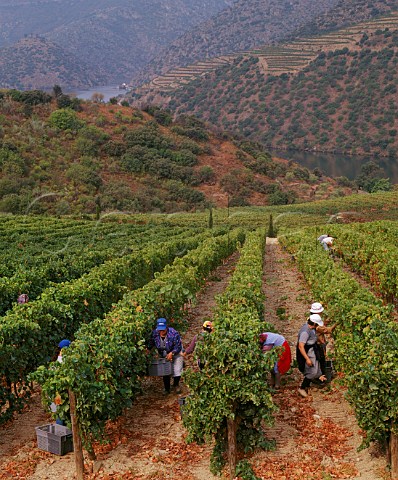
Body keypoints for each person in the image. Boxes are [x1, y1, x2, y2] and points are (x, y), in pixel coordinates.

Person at [147, 318, 183, 394]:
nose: (161, 332)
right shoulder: (155, 333)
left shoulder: (173, 333)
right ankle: (167, 388)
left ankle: (176, 385)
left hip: (175, 351)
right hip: (164, 352)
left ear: (166, 327)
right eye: (160, 330)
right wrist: (148, 349)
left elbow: (178, 346)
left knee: (177, 369)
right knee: (165, 369)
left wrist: (172, 353)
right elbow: (151, 342)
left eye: (163, 330)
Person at [296, 314, 326, 398]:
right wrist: (307, 359)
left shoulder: (311, 328)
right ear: (314, 323)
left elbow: (314, 335)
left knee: (316, 367)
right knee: (311, 371)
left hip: (313, 351)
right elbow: (301, 346)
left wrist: (320, 340)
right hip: (308, 352)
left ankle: (316, 379)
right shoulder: (305, 332)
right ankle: (302, 388)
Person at [50, 339, 71, 424]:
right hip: (59, 394)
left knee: (59, 413)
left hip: (56, 394)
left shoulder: (55, 362)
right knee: (61, 415)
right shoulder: (63, 362)